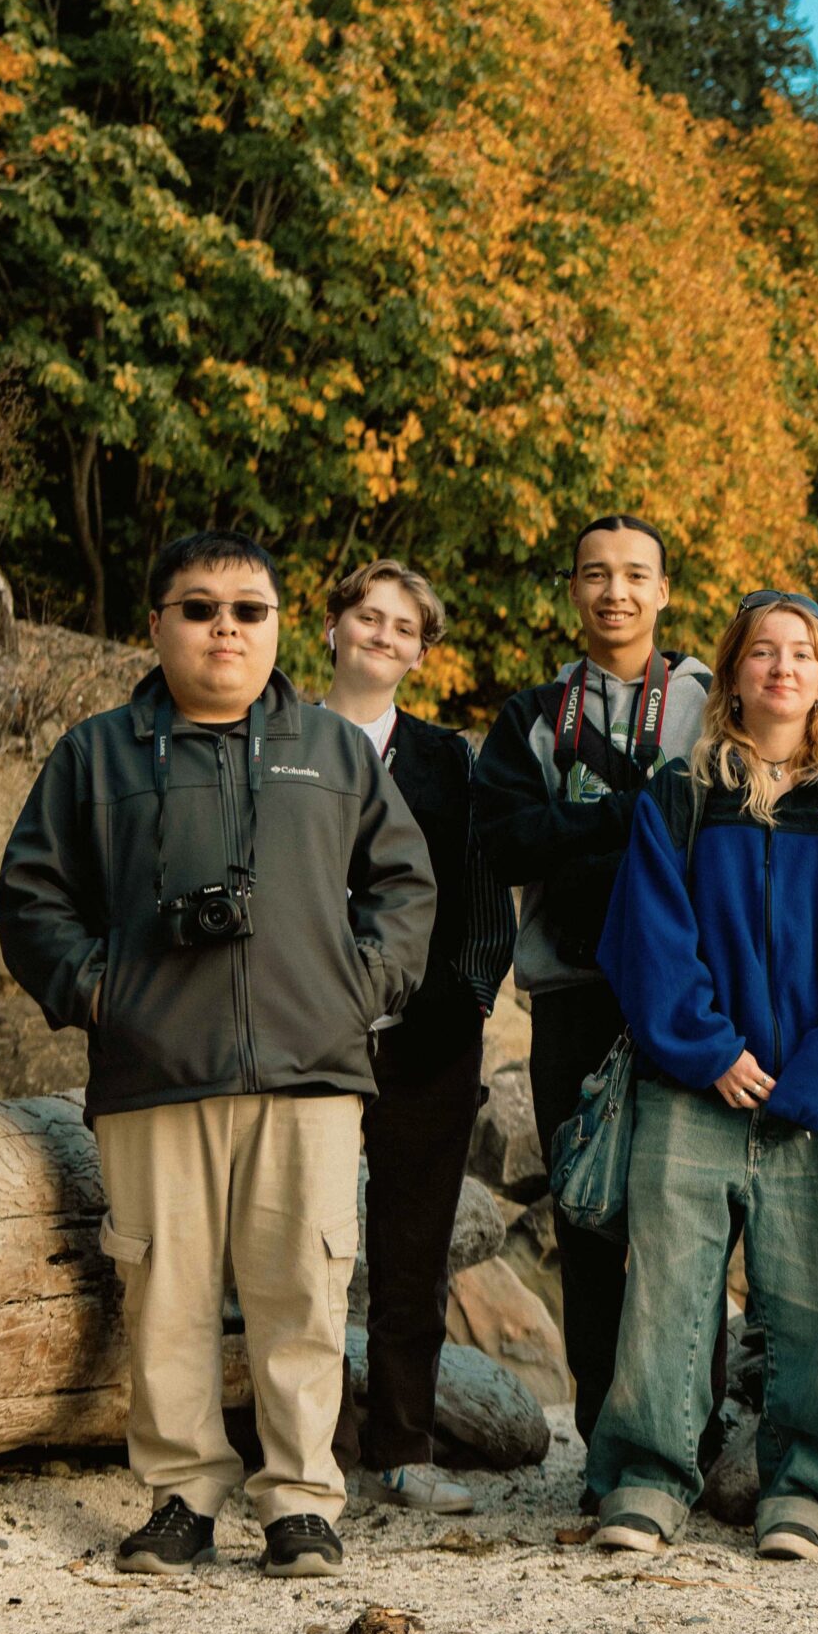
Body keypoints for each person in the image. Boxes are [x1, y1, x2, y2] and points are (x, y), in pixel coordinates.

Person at [0, 530, 435, 1579]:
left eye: (248, 610)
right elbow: (30, 897)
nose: (224, 628)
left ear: (283, 626)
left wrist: (354, 993)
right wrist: (100, 992)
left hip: (311, 1072)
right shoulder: (98, 753)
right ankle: (181, 1498)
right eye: (198, 608)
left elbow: (407, 893)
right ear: (156, 624)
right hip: (155, 1074)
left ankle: (299, 1502)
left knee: (302, 1290)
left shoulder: (331, 751)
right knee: (166, 1293)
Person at [584, 591, 818, 1560]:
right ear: (732, 675)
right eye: (761, 653)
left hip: (817, 1103)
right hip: (693, 1089)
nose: (781, 669)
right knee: (670, 1296)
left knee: (812, 1303)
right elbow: (650, 939)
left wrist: (813, 1082)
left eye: (800, 655)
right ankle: (646, 1481)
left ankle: (802, 1490)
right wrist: (711, 1052)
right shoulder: (679, 794)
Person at [473, 516, 713, 1448]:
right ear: (572, 590)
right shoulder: (532, 713)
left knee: (687, 1218)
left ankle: (690, 1426)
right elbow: (505, 838)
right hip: (572, 990)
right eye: (595, 575)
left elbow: (716, 831)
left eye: (635, 575)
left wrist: (582, 822)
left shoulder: (708, 699)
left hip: (690, 991)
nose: (615, 591)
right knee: (584, 1212)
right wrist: (634, 812)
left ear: (663, 590)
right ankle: (606, 1439)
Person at [317, 561, 518, 1517]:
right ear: (333, 627)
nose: (385, 636)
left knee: (412, 1247)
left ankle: (402, 1446)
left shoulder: (446, 758)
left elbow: (482, 894)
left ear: (423, 651)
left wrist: (468, 999)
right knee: (301, 1246)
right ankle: (307, 1444)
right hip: (302, 1033)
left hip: (427, 1035)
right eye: (370, 617)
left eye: (405, 627)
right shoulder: (283, 738)